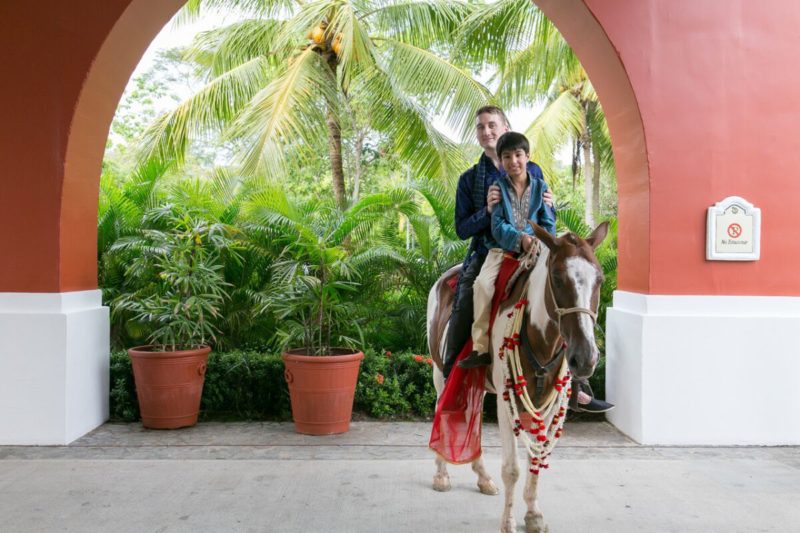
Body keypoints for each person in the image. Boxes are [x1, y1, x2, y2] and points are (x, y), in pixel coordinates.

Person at [445, 109, 613, 414]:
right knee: (470, 290)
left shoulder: (534, 172)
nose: (486, 131)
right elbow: (461, 228)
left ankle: (578, 383)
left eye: (492, 125)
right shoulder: (472, 180)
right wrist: (487, 210)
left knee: (566, 286)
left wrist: (547, 223)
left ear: (506, 128)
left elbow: (544, 216)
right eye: (480, 127)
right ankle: (454, 372)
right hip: (489, 249)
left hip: (538, 247)